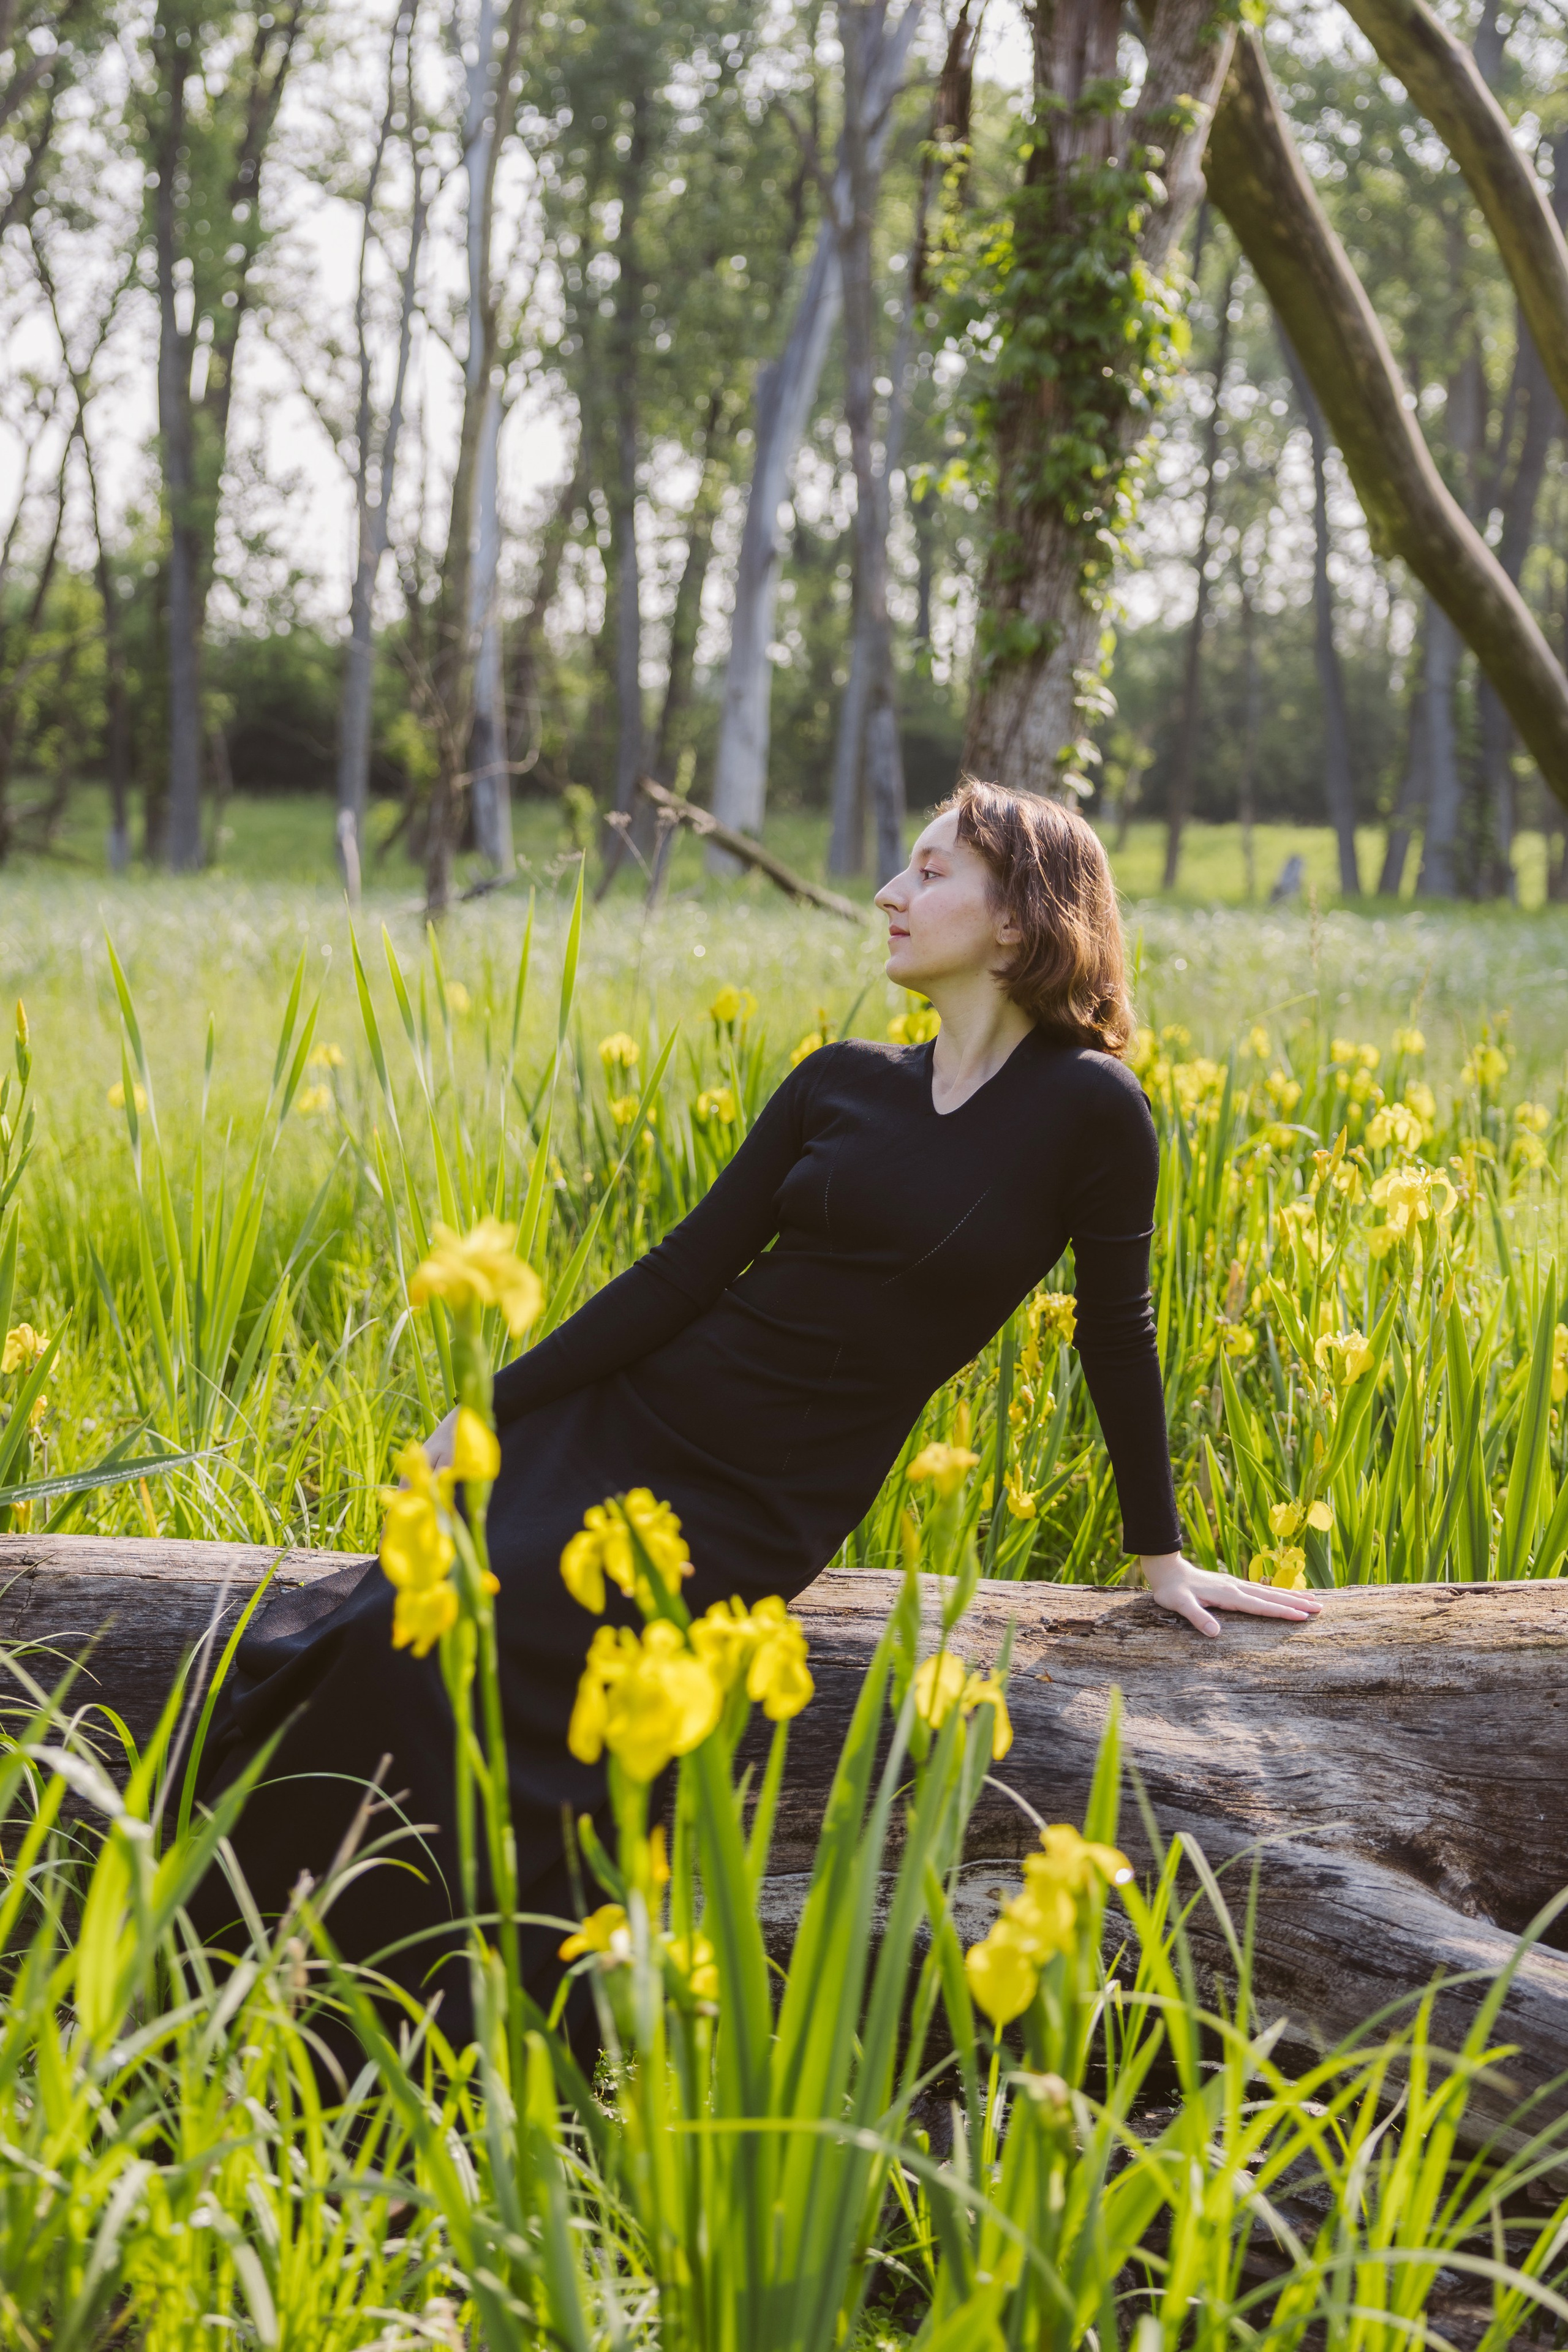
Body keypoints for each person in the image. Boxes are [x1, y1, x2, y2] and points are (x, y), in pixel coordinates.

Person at [190, 778, 1319, 2047]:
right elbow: (681, 1275)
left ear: (1017, 920)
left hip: (767, 1494)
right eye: (900, 869)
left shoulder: (1091, 1111)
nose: (892, 895)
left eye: (932, 871)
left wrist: (1156, 1553)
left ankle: (471, 2025)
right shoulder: (837, 1079)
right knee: (404, 1630)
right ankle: (264, 1985)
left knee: (543, 1653)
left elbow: (1119, 1332)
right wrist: (490, 1412)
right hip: (626, 1421)